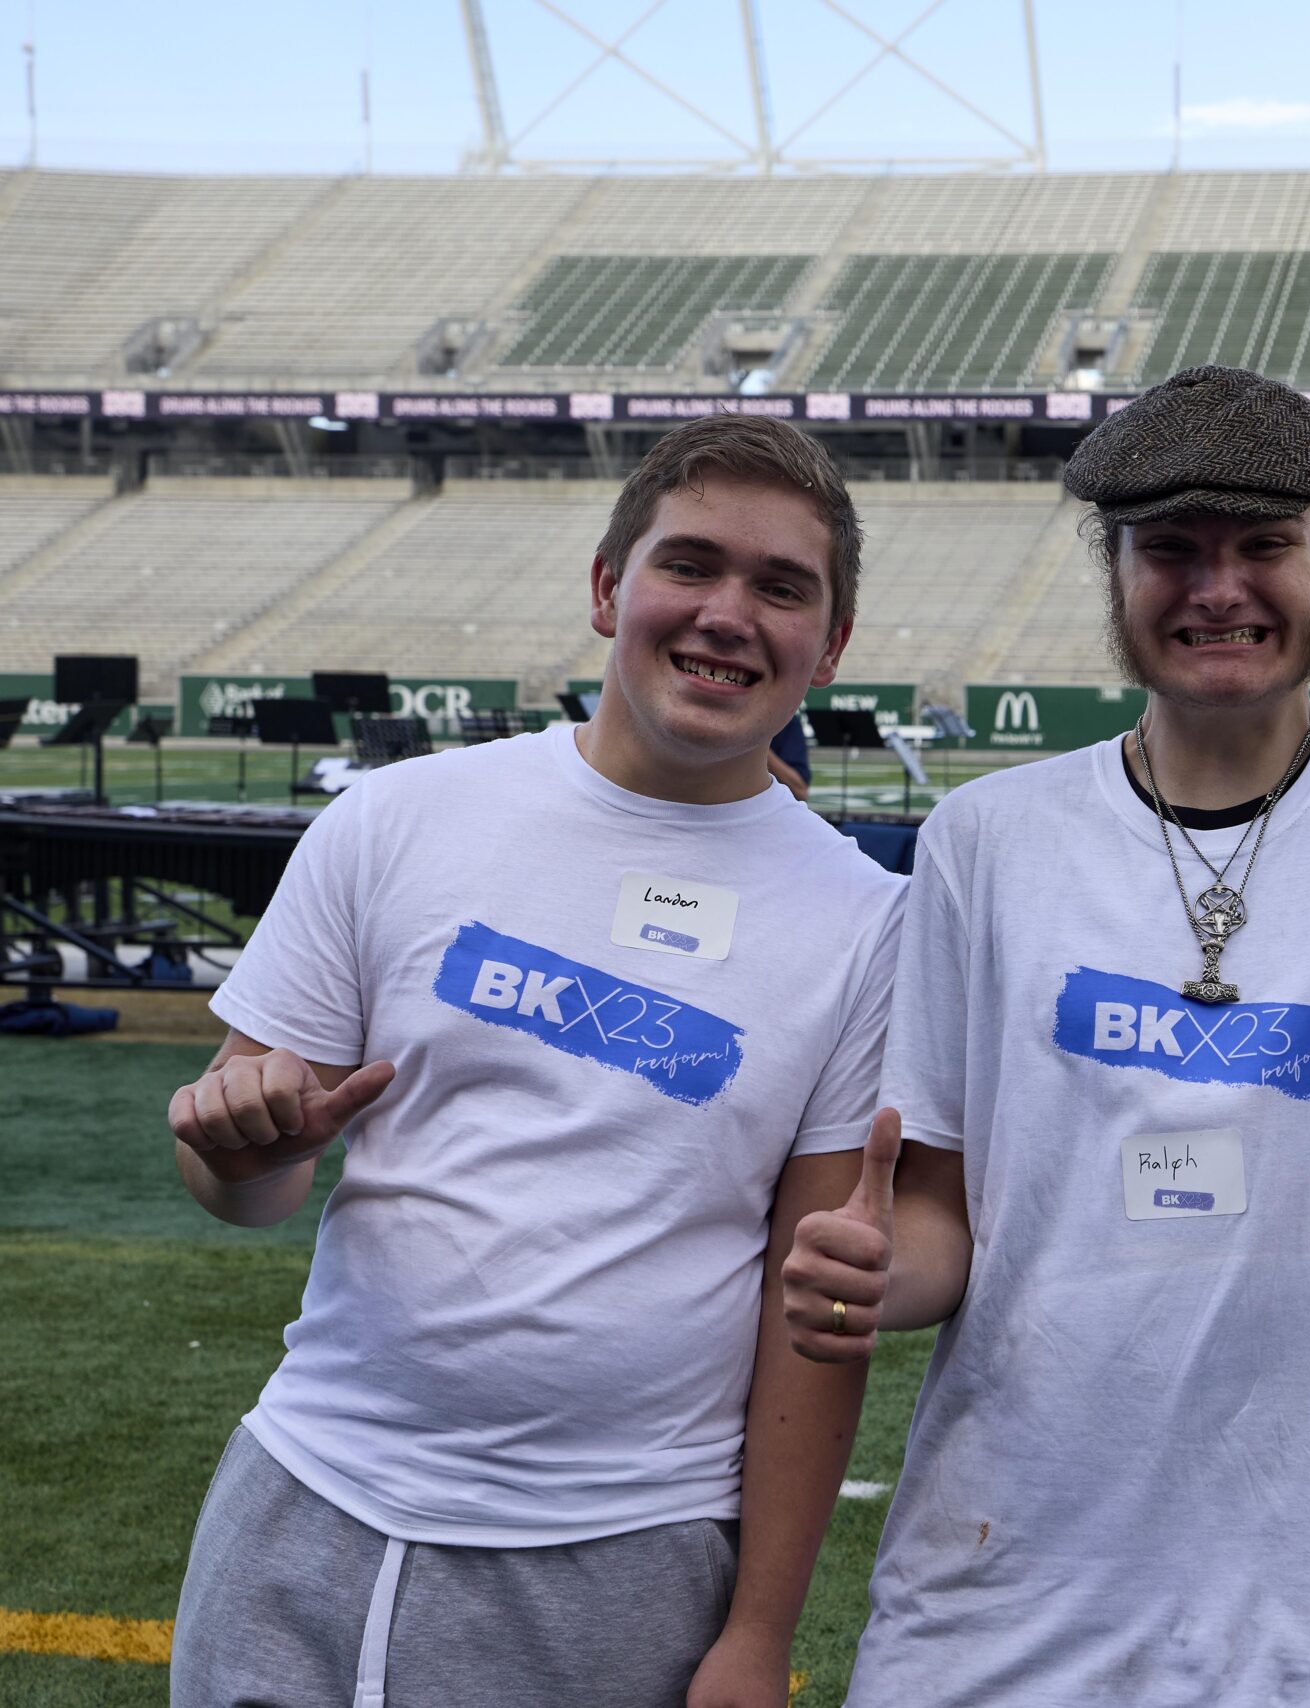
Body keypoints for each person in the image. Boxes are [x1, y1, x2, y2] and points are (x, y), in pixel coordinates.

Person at [781, 364, 1310, 1706]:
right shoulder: (985, 839)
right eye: (1170, 549)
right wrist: (877, 1276)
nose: (1219, 590)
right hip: (1001, 1611)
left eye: (1264, 545)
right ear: (1115, 572)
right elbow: (936, 1208)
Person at [166, 414, 905, 1708]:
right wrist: (243, 1154)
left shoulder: (867, 924)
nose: (727, 614)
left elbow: (814, 1323)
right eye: (690, 565)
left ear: (831, 645)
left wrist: (759, 1633)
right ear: (610, 587)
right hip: (307, 1499)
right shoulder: (397, 818)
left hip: (624, 1553)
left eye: (781, 587)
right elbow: (244, 1184)